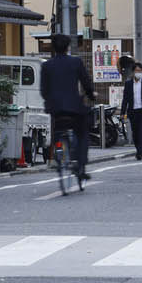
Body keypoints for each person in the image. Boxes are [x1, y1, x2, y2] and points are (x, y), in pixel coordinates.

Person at [40, 33, 94, 183]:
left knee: (58, 130)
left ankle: (58, 153)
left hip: (55, 110)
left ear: (53, 48)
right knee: (82, 132)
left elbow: (43, 91)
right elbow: (86, 82)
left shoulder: (46, 65)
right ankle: (80, 163)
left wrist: (51, 102)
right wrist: (91, 94)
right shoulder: (75, 62)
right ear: (68, 47)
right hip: (74, 109)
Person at [120, 59, 142, 161]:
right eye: (136, 71)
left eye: (140, 71)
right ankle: (138, 148)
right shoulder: (128, 84)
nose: (138, 73)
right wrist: (122, 112)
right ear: (133, 72)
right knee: (135, 133)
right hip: (132, 112)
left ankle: (140, 151)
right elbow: (125, 99)